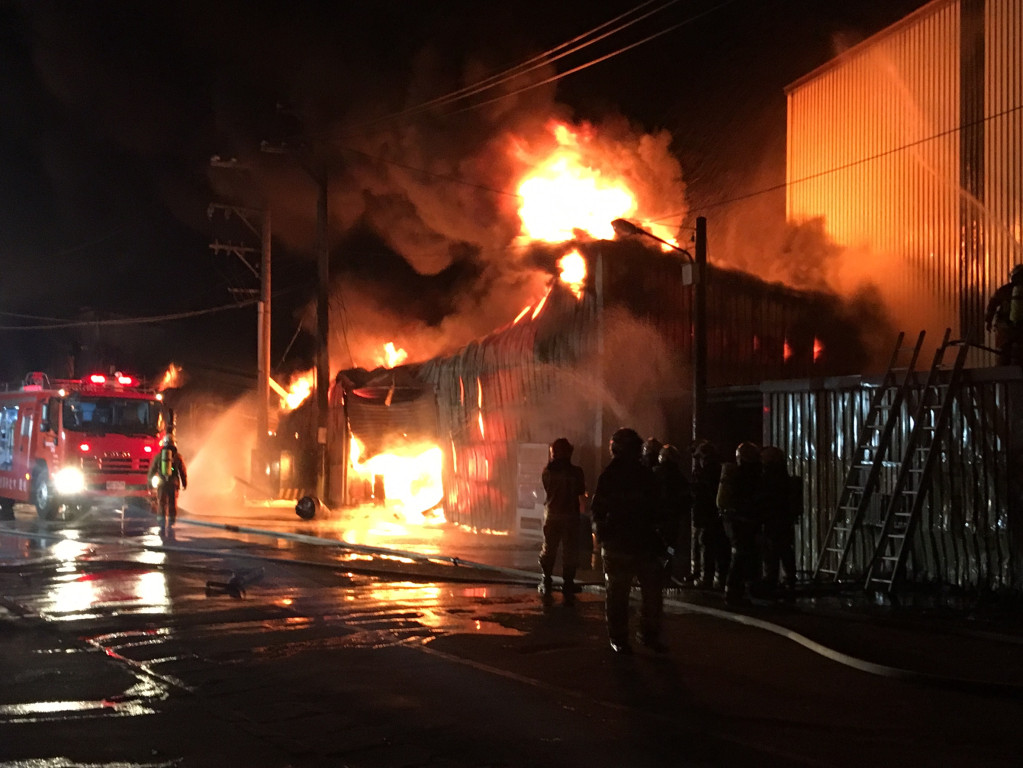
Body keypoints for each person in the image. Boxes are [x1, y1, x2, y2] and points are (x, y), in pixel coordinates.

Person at [591, 427, 665, 654]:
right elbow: (658, 509)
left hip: (622, 545)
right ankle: (645, 635)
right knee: (650, 593)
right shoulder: (643, 475)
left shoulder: (610, 475)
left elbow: (597, 511)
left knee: (618, 594)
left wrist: (602, 537)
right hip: (639, 544)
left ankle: (620, 638)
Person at [538, 437, 587, 606]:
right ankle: (568, 583)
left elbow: (546, 488)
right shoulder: (577, 472)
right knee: (570, 550)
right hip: (570, 516)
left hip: (552, 515)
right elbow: (581, 491)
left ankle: (546, 580)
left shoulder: (547, 471)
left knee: (549, 548)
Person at [716, 441, 763, 605]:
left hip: (736, 522)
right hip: (741, 522)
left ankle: (740, 589)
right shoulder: (746, 476)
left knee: (743, 553)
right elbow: (749, 499)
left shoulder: (738, 474)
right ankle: (733, 592)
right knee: (741, 554)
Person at [651, 444, 692, 584]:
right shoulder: (679, 477)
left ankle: (653, 572)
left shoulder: (653, 473)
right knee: (671, 547)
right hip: (672, 519)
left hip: (655, 518)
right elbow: (686, 500)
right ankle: (666, 571)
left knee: (654, 546)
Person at [691, 440, 729, 589]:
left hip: (708, 516)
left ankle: (706, 577)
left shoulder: (706, 472)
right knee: (720, 547)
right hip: (719, 516)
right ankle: (719, 577)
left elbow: (699, 495)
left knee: (707, 546)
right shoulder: (720, 469)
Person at [760, 445, 797, 593]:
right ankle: (789, 579)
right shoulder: (783, 477)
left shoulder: (768, 477)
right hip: (784, 519)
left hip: (772, 519)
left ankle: (771, 580)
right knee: (785, 550)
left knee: (772, 551)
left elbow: (764, 498)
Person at [148, 434, 188, 535]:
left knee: (161, 503)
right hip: (173, 483)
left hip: (162, 484)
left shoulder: (159, 456)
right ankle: (171, 522)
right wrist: (184, 483)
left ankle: (161, 523)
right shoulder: (178, 457)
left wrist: (149, 485)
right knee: (172, 503)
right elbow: (182, 471)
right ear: (174, 443)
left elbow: (151, 472)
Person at [984, 264, 1023, 365]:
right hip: (1019, 329)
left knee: (1003, 355)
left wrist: (988, 321)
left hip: (1004, 329)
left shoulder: (1004, 290)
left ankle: (1001, 378)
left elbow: (992, 304)